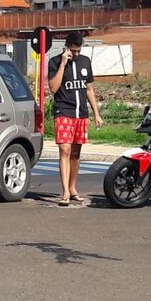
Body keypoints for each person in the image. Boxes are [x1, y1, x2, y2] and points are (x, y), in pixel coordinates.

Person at [47, 31, 103, 206]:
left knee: (76, 153)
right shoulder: (55, 62)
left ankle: (72, 188)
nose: (76, 54)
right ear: (66, 47)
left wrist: (96, 113)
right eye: (73, 51)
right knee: (65, 150)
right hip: (64, 111)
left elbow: (89, 89)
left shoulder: (85, 61)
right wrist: (63, 64)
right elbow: (53, 88)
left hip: (81, 114)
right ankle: (64, 191)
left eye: (78, 51)